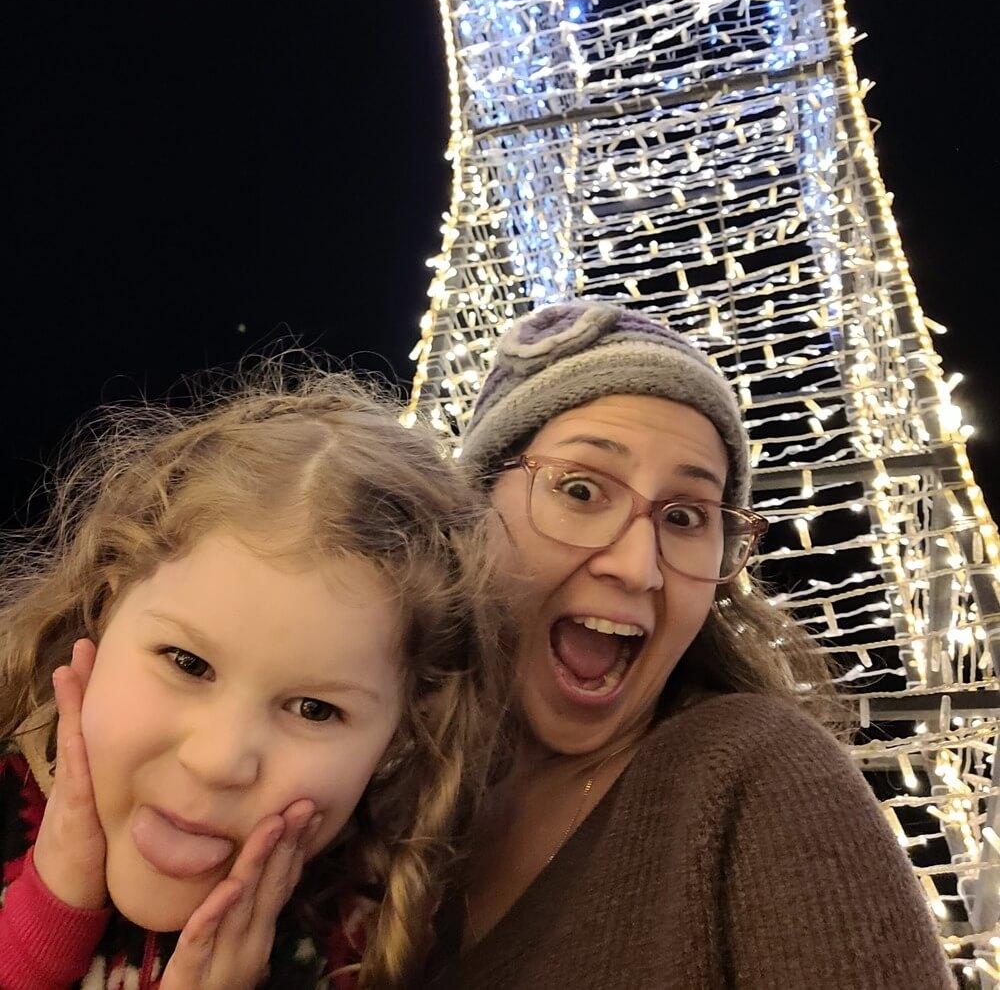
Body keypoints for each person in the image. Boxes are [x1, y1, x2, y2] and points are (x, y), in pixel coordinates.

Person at [432, 300, 952, 988]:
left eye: (684, 516)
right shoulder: (375, 796)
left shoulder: (755, 778)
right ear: (475, 513)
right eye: (582, 489)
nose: (637, 566)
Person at [0, 365, 508, 989]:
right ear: (105, 611)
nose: (219, 760)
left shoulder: (373, 947)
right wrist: (44, 921)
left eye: (315, 710)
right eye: (188, 663)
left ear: (398, 739)